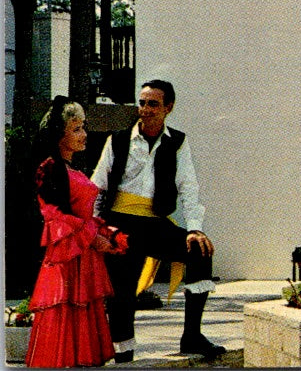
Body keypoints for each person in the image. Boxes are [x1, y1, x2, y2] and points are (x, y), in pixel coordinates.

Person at [90, 80, 225, 362]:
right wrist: (95, 230)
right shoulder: (117, 139)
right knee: (123, 292)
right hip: (121, 223)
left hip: (154, 223)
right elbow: (97, 187)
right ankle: (124, 356)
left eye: (153, 104)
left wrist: (195, 229)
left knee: (200, 251)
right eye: (142, 103)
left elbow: (189, 187)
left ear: (168, 108)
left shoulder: (177, 141)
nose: (146, 110)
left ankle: (192, 337)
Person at [26, 96, 124, 367]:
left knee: (83, 336)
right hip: (67, 258)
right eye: (77, 129)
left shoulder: (70, 167)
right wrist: (94, 237)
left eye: (84, 127)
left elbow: (83, 213)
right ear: (60, 134)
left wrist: (107, 234)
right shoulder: (50, 167)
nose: (84, 134)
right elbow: (54, 215)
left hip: (83, 255)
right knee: (64, 333)